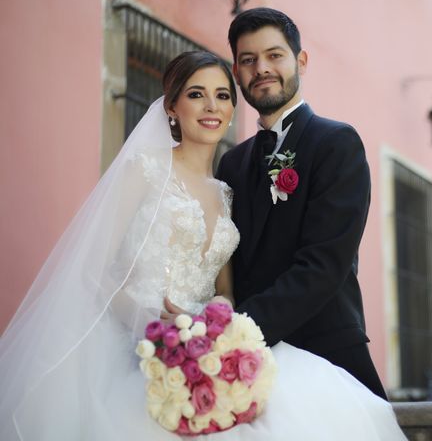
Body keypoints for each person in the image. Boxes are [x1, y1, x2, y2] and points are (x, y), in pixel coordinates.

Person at [0, 50, 407, 440]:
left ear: (232, 110)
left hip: (205, 346)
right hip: (132, 343)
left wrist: (218, 320)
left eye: (223, 96)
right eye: (197, 94)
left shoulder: (227, 191)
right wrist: (151, 324)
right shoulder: (143, 170)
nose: (212, 106)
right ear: (172, 107)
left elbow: (224, 288)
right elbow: (94, 268)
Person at [215, 7, 388, 400]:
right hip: (242, 370)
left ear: (301, 61)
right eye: (248, 60)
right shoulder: (231, 163)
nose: (262, 68)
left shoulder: (337, 144)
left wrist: (235, 330)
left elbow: (323, 266)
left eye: (274, 55)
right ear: (237, 72)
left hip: (324, 357)